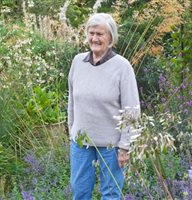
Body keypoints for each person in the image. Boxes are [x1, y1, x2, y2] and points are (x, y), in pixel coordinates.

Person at [67, 13, 140, 200]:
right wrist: (72, 130)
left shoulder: (122, 67)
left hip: (111, 146)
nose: (94, 38)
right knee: (80, 193)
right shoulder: (77, 62)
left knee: (110, 194)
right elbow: (72, 102)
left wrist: (125, 146)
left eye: (100, 34)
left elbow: (131, 109)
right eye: (91, 33)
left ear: (111, 38)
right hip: (81, 144)